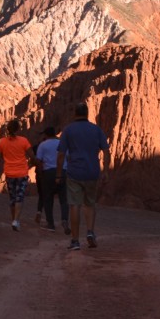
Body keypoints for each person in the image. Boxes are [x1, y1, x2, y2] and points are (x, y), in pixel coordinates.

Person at [56, 103, 110, 251]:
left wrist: (59, 174)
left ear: (75, 113)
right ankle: (90, 232)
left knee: (74, 205)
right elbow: (106, 151)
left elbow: (61, 154)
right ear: (87, 113)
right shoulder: (96, 129)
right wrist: (105, 171)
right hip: (92, 172)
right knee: (90, 204)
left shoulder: (68, 130)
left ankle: (75, 241)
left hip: (74, 172)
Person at [0, 118, 35, 231]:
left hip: (9, 173)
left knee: (12, 197)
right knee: (19, 197)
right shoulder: (24, 141)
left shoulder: (2, 142)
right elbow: (31, 155)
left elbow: (2, 155)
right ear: (18, 129)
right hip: (22, 173)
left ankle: (14, 220)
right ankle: (16, 220)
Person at [36, 126, 68, 231]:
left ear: (46, 134)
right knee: (64, 198)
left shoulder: (42, 145)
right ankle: (64, 220)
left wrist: (41, 174)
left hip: (48, 173)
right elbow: (67, 157)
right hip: (63, 172)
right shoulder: (62, 143)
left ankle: (51, 224)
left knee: (48, 199)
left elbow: (38, 161)